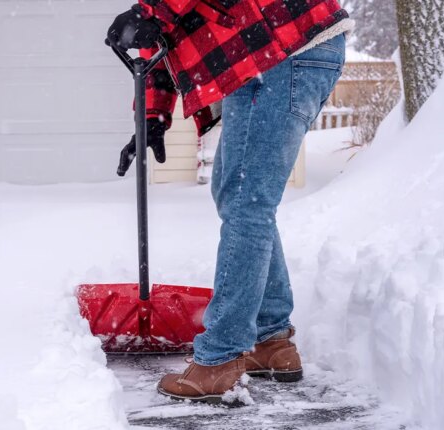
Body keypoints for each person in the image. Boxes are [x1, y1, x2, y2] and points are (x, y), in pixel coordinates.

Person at [108, 0, 354, 404]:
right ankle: (270, 340)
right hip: (263, 51)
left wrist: (149, 11)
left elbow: (161, 15)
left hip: (285, 45)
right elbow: (162, 37)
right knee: (236, 194)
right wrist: (152, 116)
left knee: (247, 202)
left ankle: (220, 358)